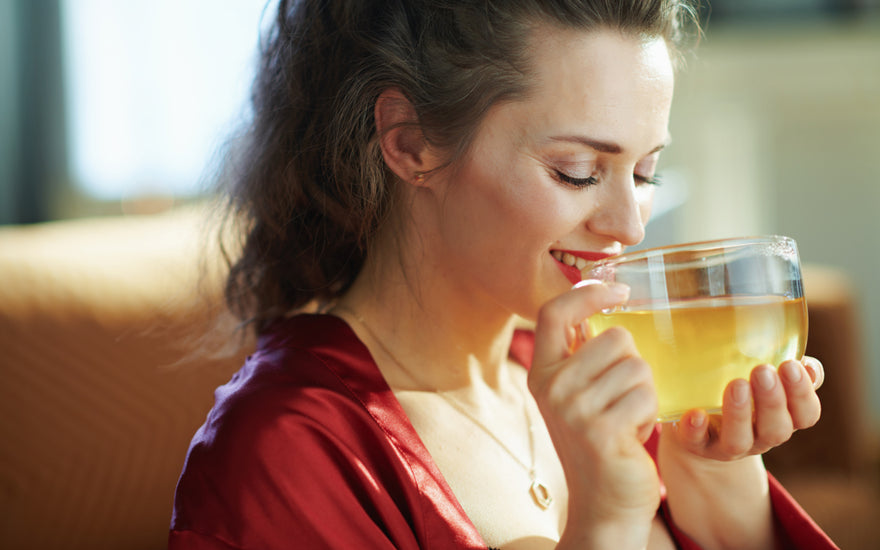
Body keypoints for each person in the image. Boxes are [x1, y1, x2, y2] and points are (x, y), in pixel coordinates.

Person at [170, 0, 837, 548]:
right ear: (409, 141)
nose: (629, 226)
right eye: (577, 172)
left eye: (644, 172)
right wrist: (603, 525)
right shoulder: (284, 452)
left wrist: (718, 485)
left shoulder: (607, 378)